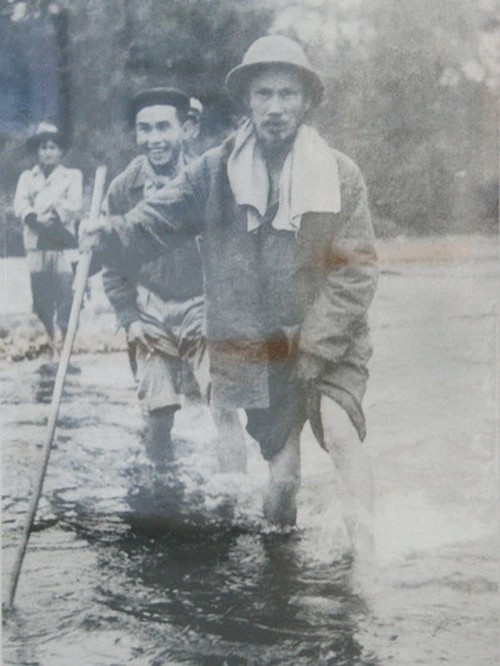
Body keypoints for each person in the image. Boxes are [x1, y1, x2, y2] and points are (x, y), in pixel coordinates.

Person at [83, 37, 378, 552]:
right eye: (263, 94)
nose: (275, 107)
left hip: (331, 338)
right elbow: (156, 219)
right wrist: (108, 235)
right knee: (282, 485)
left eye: (287, 94)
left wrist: (314, 347)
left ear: (306, 101)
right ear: (247, 101)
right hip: (262, 347)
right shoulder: (215, 171)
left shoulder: (340, 174)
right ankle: (279, 571)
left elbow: (355, 272)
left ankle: (368, 559)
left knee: (339, 432)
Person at [101, 87, 246, 473]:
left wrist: (229, 310)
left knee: (225, 406)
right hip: (150, 306)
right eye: (144, 129)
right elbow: (112, 262)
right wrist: (129, 317)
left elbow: (234, 252)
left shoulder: (211, 179)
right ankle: (161, 493)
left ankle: (235, 491)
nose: (153, 139)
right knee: (158, 414)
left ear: (188, 128)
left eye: (163, 127)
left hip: (204, 303)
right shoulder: (123, 188)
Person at [14, 122, 82, 351]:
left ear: (60, 151)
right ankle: (50, 336)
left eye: (53, 147)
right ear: (37, 151)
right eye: (43, 148)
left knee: (65, 291)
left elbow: (74, 205)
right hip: (36, 243)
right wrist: (34, 218)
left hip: (63, 241)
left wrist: (53, 214)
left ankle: (66, 339)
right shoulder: (27, 177)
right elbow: (20, 204)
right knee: (41, 294)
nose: (48, 152)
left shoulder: (72, 176)